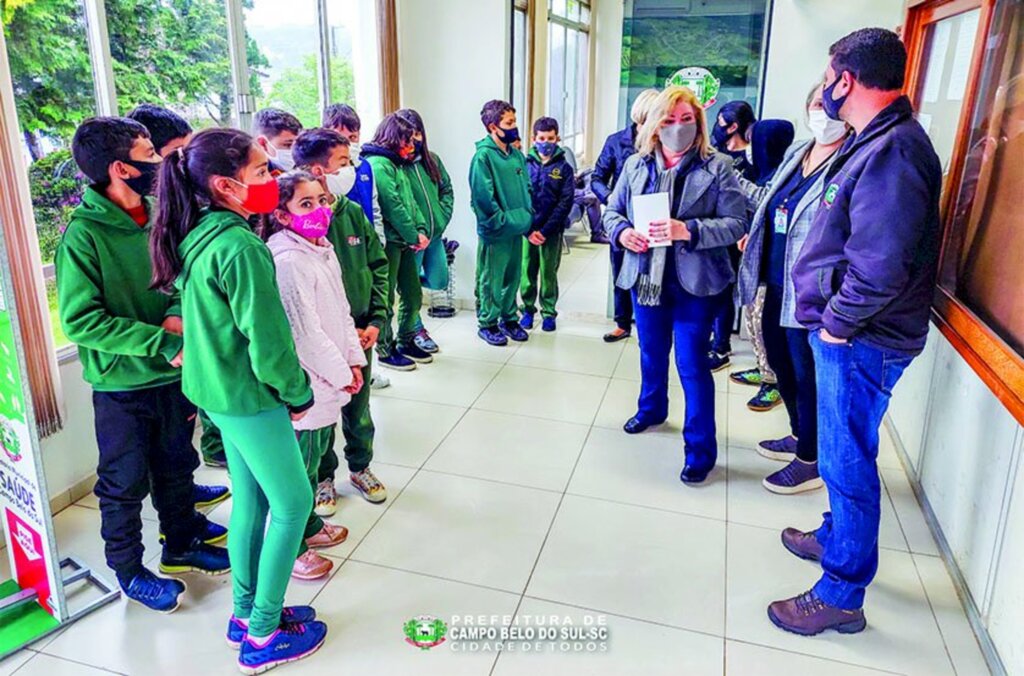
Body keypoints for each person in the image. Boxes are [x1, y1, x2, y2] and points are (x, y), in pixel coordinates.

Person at [769, 28, 942, 635]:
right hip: (857, 333)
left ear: (845, 79)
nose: (824, 87)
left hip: (863, 338)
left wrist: (837, 326)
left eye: (828, 75)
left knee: (847, 462)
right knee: (847, 450)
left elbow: (881, 262)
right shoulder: (876, 140)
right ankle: (836, 536)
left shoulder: (892, 150)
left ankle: (841, 593)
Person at [150, 128, 327, 670]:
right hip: (249, 396)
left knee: (250, 500)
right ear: (226, 186)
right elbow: (268, 342)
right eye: (262, 172)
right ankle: (263, 636)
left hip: (218, 393)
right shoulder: (241, 246)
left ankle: (245, 613)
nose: (273, 178)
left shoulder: (202, 231)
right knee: (294, 503)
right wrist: (297, 393)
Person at [56, 117, 230, 614]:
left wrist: (176, 314)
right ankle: (130, 571)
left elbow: (179, 277)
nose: (160, 161)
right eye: (149, 154)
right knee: (124, 481)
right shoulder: (84, 236)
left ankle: (180, 542)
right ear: (120, 169)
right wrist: (159, 341)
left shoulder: (159, 212)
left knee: (177, 463)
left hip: (174, 372)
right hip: (122, 386)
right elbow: (81, 320)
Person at [603, 86, 746, 485]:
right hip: (646, 279)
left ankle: (700, 449)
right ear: (654, 124)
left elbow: (738, 223)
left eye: (687, 120)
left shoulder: (718, 167)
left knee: (692, 364)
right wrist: (622, 233)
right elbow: (612, 210)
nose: (678, 128)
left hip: (695, 285)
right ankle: (651, 409)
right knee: (650, 353)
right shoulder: (635, 164)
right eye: (669, 120)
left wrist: (690, 230)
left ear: (698, 123)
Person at [736, 83, 851, 495]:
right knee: (779, 364)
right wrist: (756, 232)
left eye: (831, 103)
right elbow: (773, 201)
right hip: (776, 278)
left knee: (807, 376)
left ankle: (811, 460)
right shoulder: (799, 150)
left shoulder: (851, 158)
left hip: (813, 290)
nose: (825, 111)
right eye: (818, 103)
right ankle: (799, 436)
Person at [263, 172, 360, 581]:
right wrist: (341, 373)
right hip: (308, 382)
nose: (321, 210)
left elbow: (341, 311)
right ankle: (293, 546)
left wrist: (354, 360)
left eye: (322, 200)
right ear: (282, 216)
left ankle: (310, 527)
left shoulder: (321, 249)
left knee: (319, 453)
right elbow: (304, 333)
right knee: (298, 473)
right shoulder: (287, 261)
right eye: (306, 204)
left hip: (332, 378)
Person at [126, 104, 232, 471]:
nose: (182, 165)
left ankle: (184, 500)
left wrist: (175, 311)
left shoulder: (181, 207)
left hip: (183, 338)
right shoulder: (145, 215)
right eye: (169, 155)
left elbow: (179, 279)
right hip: (147, 358)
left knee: (179, 437)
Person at [291, 129, 391, 514]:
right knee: (321, 413)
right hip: (318, 343)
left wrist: (377, 321)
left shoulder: (350, 213)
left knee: (359, 408)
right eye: (343, 163)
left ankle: (361, 467)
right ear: (317, 168)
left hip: (360, 333)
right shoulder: (294, 227)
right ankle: (323, 477)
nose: (350, 170)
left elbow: (378, 266)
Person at [323, 104, 391, 391]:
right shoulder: (309, 209)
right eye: (342, 135)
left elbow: (373, 205)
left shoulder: (361, 169)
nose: (349, 143)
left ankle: (366, 364)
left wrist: (378, 238)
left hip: (362, 241)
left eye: (353, 136)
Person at [361, 114, 433, 367]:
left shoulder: (399, 165)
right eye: (407, 141)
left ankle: (406, 339)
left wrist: (422, 227)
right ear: (393, 139)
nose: (412, 147)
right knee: (386, 298)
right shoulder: (379, 165)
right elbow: (393, 206)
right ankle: (385, 347)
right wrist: (414, 234)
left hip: (405, 242)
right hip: (390, 243)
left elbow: (411, 203)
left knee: (413, 294)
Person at [592, 88, 659, 343]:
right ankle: (622, 322)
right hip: (622, 220)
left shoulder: (665, 144)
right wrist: (611, 199)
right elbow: (597, 178)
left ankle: (650, 326)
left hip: (653, 221)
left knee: (651, 275)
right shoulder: (616, 141)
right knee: (621, 272)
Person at [469, 99, 533, 347]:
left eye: (514, 121)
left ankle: (509, 318)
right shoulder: (483, 157)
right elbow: (483, 198)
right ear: (493, 127)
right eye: (509, 123)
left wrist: (526, 217)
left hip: (517, 228)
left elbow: (527, 187)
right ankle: (488, 323)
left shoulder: (516, 154)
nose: (514, 127)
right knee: (491, 279)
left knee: (512, 277)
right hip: (496, 232)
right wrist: (501, 221)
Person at [395, 108, 454, 353]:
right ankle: (414, 328)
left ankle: (406, 285)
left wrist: (440, 220)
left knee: (440, 280)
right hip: (412, 240)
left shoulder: (433, 160)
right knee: (412, 294)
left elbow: (447, 191)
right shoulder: (396, 165)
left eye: (417, 133)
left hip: (434, 236)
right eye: (408, 135)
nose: (414, 140)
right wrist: (412, 232)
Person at [520, 116, 575, 332]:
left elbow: (565, 202)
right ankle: (526, 309)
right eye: (541, 138)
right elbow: (520, 197)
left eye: (550, 138)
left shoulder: (564, 168)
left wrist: (545, 230)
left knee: (549, 272)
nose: (546, 142)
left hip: (550, 232)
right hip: (527, 231)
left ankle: (549, 312)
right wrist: (529, 229)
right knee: (527, 271)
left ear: (557, 138)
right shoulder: (524, 165)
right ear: (534, 139)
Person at [253, 108, 303, 174]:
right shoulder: (251, 176)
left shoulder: (305, 168)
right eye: (288, 145)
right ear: (263, 143)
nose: (295, 152)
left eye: (298, 145)